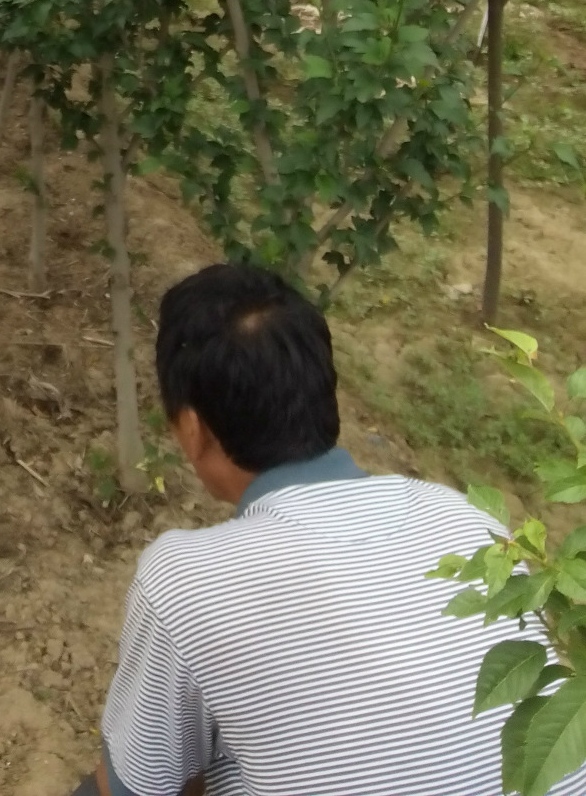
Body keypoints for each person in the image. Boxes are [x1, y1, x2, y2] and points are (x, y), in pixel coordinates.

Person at [68, 262, 586, 796]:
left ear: (193, 430)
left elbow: (136, 788)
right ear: (322, 391)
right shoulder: (464, 517)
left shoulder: (182, 580)